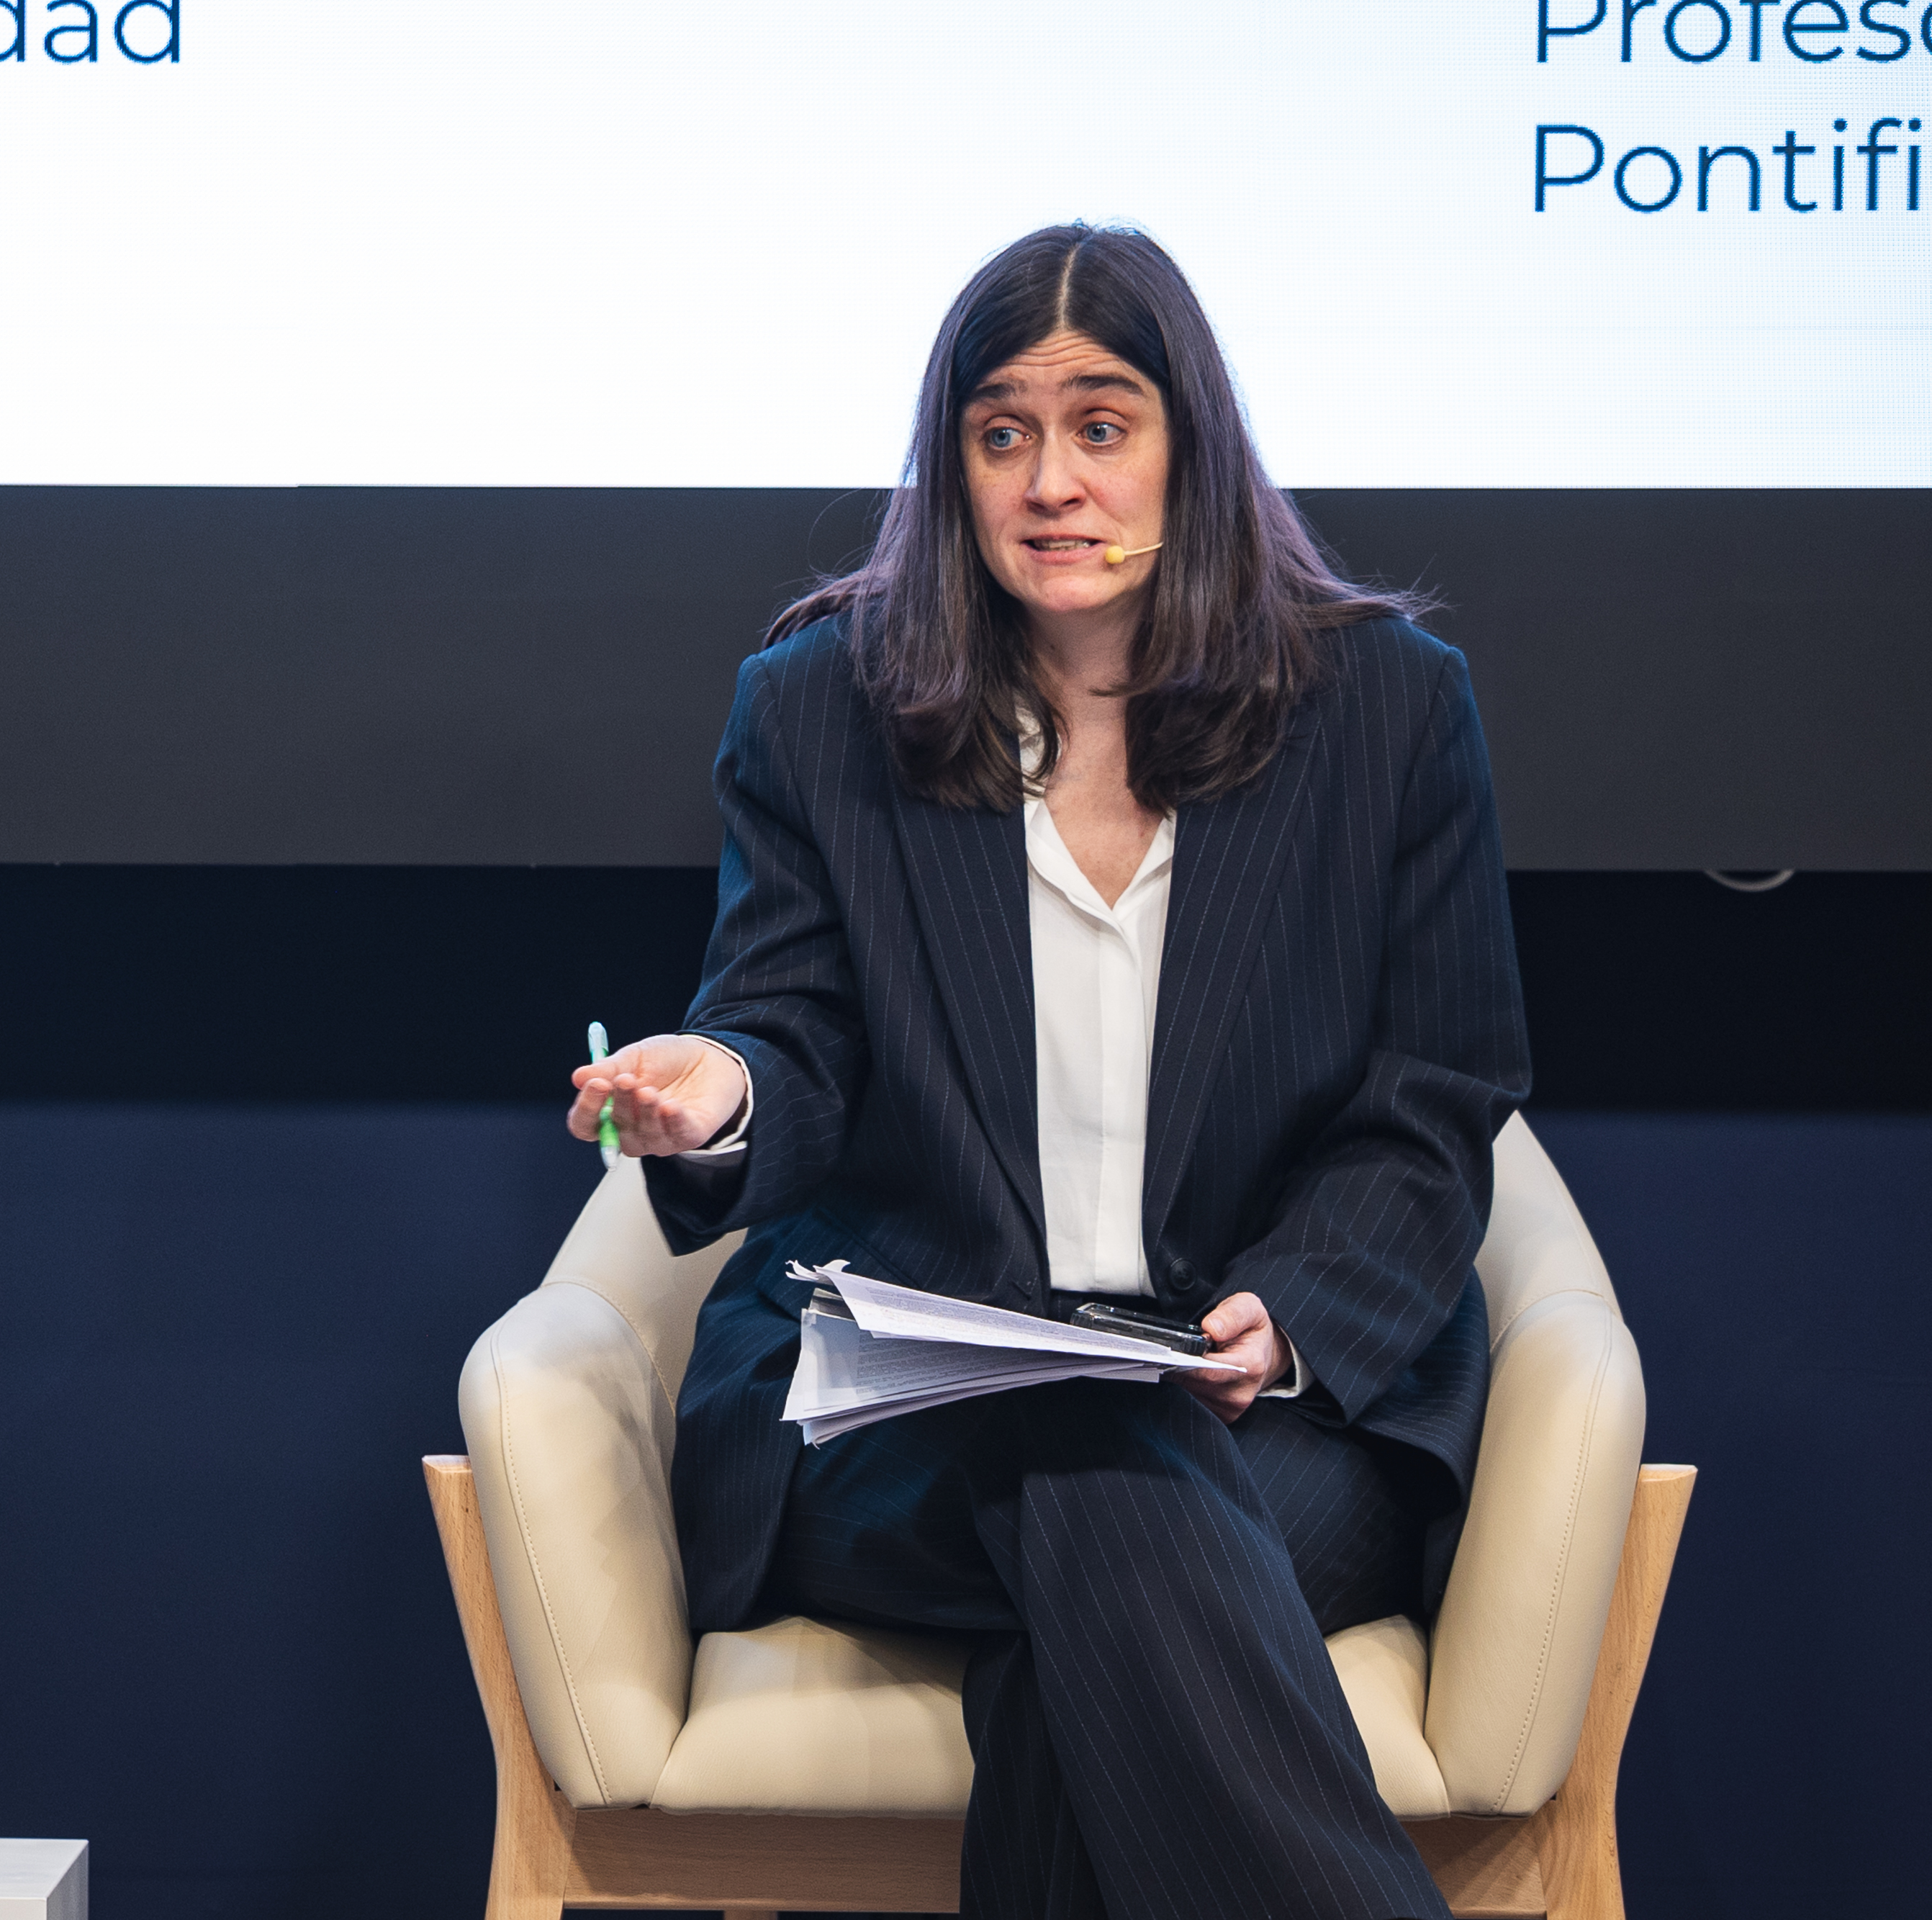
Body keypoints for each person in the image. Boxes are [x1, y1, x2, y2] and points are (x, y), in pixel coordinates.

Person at [564, 225, 1528, 1920]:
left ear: (1186, 443)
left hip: (1261, 1417)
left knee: (1086, 1595)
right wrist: (715, 1090)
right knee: (1094, 1477)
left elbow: (1431, 1095)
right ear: (952, 467)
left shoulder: (1383, 706)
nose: (1048, 482)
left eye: (1098, 425)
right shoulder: (819, 706)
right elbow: (784, 1028)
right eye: (999, 432)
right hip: (898, 1424)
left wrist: (1295, 1309)